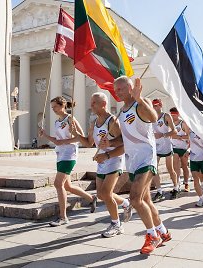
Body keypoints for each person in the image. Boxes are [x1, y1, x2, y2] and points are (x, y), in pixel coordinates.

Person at [104, 76, 171, 254]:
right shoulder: (122, 110)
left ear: (131, 88)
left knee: (135, 199)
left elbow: (153, 117)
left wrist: (139, 98)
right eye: (115, 89)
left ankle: (152, 236)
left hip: (146, 159)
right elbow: (124, 139)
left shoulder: (140, 103)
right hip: (132, 161)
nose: (117, 92)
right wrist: (108, 145)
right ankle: (163, 232)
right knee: (146, 201)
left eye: (121, 89)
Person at [72, 92, 132, 238]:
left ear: (103, 104)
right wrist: (76, 134)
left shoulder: (112, 121)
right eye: (91, 102)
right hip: (102, 161)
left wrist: (108, 149)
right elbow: (88, 143)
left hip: (114, 159)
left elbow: (124, 143)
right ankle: (125, 203)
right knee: (101, 194)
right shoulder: (94, 122)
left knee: (106, 193)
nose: (91, 105)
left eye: (94, 103)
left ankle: (116, 224)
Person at [38, 96, 97, 227]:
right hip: (60, 154)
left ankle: (63, 217)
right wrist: (45, 134)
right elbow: (57, 140)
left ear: (63, 105)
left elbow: (82, 137)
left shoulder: (70, 118)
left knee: (58, 184)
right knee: (67, 186)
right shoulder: (56, 122)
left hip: (69, 154)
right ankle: (91, 198)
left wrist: (67, 139)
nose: (53, 109)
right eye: (52, 107)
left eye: (56, 106)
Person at [151, 99, 179, 201]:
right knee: (154, 169)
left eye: (156, 105)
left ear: (161, 105)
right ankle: (159, 191)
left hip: (166, 145)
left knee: (170, 169)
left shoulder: (166, 116)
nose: (155, 107)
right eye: (153, 106)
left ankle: (176, 187)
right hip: (156, 146)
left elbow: (174, 131)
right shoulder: (151, 117)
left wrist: (163, 135)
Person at [169, 107, 191, 192]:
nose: (172, 117)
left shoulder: (183, 123)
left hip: (183, 147)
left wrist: (179, 137)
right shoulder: (170, 123)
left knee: (184, 166)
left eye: (174, 115)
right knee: (176, 166)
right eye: (171, 115)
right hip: (174, 147)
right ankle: (177, 183)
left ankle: (186, 183)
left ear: (177, 114)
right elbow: (169, 135)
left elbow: (189, 136)